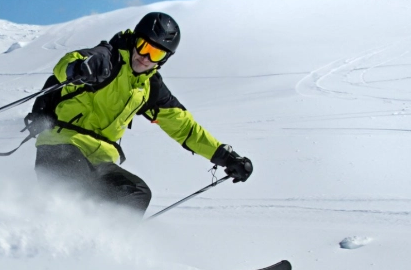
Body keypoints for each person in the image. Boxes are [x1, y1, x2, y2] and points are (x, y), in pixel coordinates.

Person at [33, 12, 252, 212]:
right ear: (134, 40)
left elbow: (184, 127)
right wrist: (79, 68)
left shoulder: (149, 87)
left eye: (156, 53)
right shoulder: (108, 59)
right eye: (144, 46)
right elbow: (66, 63)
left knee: (136, 193)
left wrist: (226, 157)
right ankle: (50, 233)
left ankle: (107, 240)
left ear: (164, 59)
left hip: (99, 160)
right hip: (60, 147)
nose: (145, 57)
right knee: (78, 188)